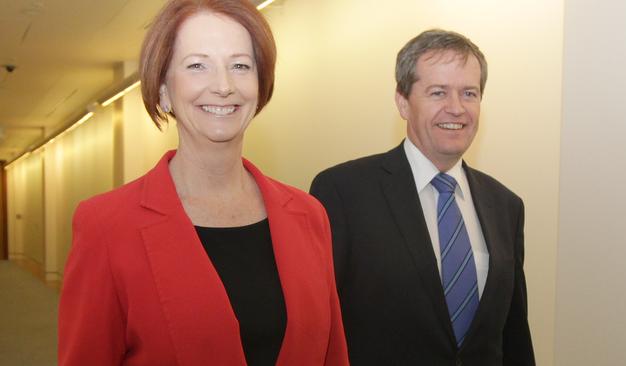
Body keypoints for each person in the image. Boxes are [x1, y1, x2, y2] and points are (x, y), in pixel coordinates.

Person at [58, 1, 348, 365]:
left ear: (260, 85)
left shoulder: (309, 215)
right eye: (197, 66)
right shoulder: (105, 225)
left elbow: (332, 353)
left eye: (240, 66)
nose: (223, 86)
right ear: (163, 89)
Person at [310, 29, 535, 365]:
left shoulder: (505, 205)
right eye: (438, 92)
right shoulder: (342, 192)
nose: (456, 108)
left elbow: (514, 334)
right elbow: (318, 326)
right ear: (403, 102)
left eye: (469, 93)